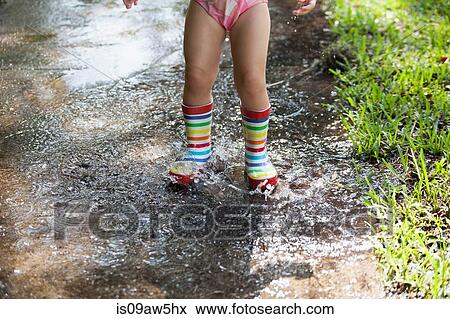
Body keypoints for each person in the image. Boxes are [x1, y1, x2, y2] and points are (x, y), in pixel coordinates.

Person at [123, 0, 317, 191]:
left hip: (251, 6)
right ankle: (198, 149)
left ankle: (257, 154)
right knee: (196, 76)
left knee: (251, 80)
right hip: (206, 5)